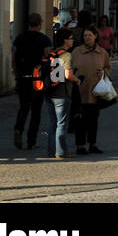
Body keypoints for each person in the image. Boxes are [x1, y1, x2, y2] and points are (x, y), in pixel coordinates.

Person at [12, 13, 52, 149]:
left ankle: (18, 129)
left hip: (23, 78)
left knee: (23, 107)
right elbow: (48, 59)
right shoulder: (44, 39)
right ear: (40, 24)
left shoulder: (20, 38)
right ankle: (31, 141)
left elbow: (14, 57)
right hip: (38, 80)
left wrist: (16, 74)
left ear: (28, 24)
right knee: (36, 111)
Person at [69, 26, 112, 154]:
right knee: (80, 120)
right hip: (80, 91)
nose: (87, 38)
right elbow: (69, 68)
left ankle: (93, 144)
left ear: (95, 36)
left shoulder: (102, 52)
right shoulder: (76, 51)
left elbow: (108, 68)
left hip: (96, 91)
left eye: (89, 35)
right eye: (85, 35)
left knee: (93, 120)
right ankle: (80, 146)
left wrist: (104, 73)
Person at [43, 30, 75, 159]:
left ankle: (51, 151)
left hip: (49, 92)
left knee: (52, 123)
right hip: (62, 93)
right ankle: (61, 152)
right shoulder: (66, 55)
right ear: (65, 40)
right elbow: (68, 75)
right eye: (71, 38)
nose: (73, 41)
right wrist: (77, 80)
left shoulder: (51, 54)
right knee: (61, 123)